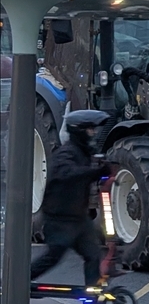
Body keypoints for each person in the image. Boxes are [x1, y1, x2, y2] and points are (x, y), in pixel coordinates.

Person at [30, 110, 111, 286]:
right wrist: (94, 172)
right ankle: (14, 285)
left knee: (93, 255)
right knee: (53, 256)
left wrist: (100, 171)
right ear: (78, 130)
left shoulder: (84, 153)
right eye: (90, 130)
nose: (93, 133)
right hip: (59, 220)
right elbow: (68, 174)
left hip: (78, 219)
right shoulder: (66, 153)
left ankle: (92, 297)